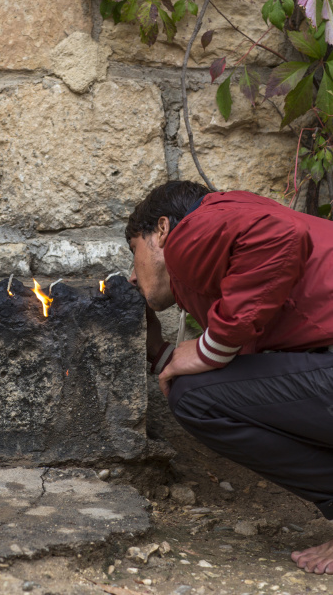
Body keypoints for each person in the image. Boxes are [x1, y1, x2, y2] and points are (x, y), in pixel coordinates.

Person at [126, 180, 333, 575]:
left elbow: (280, 236)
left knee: (192, 397)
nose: (132, 277)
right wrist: (167, 354)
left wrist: (210, 348)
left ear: (163, 231)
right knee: (197, 389)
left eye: (133, 249)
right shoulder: (229, 238)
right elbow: (250, 385)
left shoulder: (193, 229)